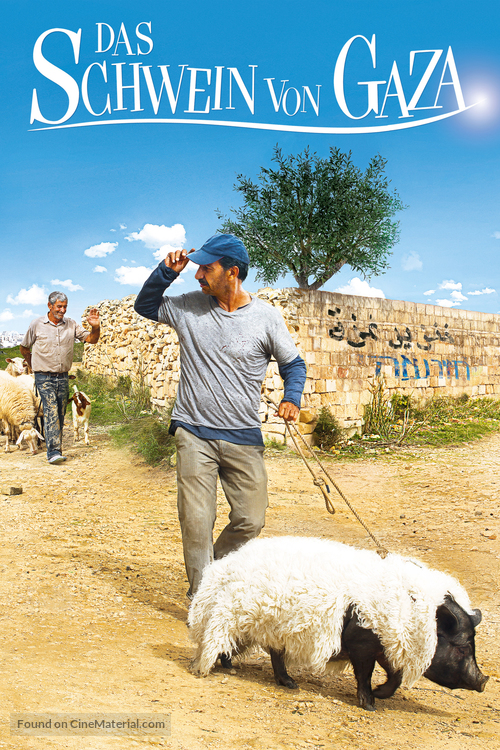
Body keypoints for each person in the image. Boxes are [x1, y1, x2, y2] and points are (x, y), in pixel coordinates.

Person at [134, 233, 307, 597]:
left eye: (206, 268)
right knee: (197, 522)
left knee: (251, 519)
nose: (198, 275)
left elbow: (294, 364)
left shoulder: (265, 317)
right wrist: (166, 272)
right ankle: (203, 601)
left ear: (232, 273)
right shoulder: (188, 307)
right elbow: (146, 306)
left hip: (243, 436)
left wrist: (292, 398)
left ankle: (211, 573)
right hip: (193, 432)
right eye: (197, 267)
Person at [20, 292, 100, 464]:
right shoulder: (37, 324)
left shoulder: (71, 325)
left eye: (65, 307)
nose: (62, 310)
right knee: (51, 410)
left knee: (60, 413)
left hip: (63, 377)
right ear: (49, 306)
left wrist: (95, 327)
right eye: (59, 306)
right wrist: (32, 366)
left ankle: (56, 448)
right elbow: (24, 348)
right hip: (43, 376)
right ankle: (53, 452)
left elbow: (92, 340)